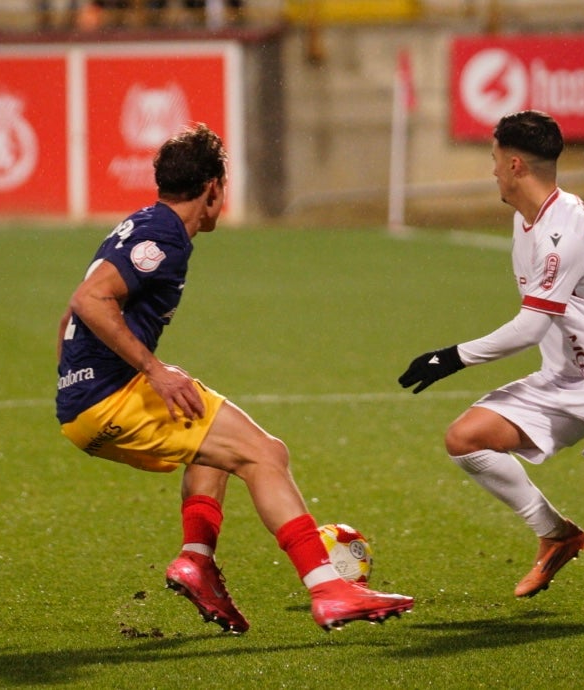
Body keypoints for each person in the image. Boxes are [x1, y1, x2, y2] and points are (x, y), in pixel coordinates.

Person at [57, 123, 413, 633]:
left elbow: (77, 304)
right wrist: (153, 371)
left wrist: (74, 376)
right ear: (213, 188)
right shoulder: (163, 236)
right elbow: (89, 300)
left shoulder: (138, 224)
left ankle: (196, 561)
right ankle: (330, 589)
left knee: (208, 424)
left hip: (83, 406)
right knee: (265, 454)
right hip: (111, 398)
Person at [398, 110, 584, 621]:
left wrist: (452, 357)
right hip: (562, 377)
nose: (491, 170)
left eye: (493, 160)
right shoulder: (526, 218)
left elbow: (530, 326)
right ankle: (556, 534)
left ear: (514, 165)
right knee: (465, 438)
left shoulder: (565, 229)